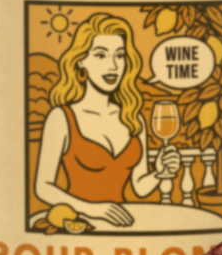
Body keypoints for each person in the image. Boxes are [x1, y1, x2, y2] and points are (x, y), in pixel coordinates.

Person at [34, 12, 180, 228]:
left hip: (121, 224)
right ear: (81, 60)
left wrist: (160, 173)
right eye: (101, 55)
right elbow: (43, 187)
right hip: (78, 226)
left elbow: (139, 187)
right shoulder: (62, 117)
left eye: (119, 55)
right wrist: (93, 208)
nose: (113, 66)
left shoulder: (133, 117)